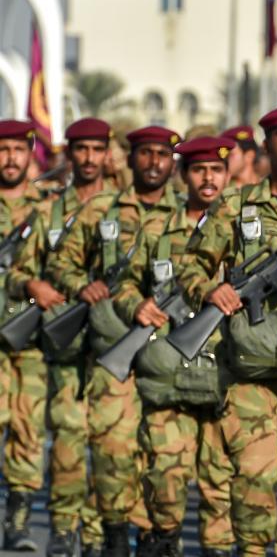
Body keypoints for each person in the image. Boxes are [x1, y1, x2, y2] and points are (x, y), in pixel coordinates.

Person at [180, 106, 277, 556]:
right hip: (249, 370)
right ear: (265, 145)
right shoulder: (236, 205)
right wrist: (212, 291)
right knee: (254, 482)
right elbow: (191, 266)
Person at [49, 125, 183, 557]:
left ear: (172, 162)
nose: (153, 162)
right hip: (112, 350)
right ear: (127, 159)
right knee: (112, 450)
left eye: (162, 154)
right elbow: (61, 265)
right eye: (145, 154)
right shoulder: (102, 212)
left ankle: (152, 533)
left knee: (161, 455)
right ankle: (111, 533)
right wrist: (81, 286)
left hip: (167, 351)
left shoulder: (187, 214)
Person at [111, 136, 236, 557]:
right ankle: (162, 539)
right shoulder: (159, 230)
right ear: (184, 175)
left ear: (227, 174)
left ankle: (216, 549)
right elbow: (125, 283)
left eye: (216, 170)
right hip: (169, 368)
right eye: (199, 170)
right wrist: (137, 305)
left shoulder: (243, 227)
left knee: (219, 479)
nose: (208, 178)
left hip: (223, 371)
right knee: (165, 471)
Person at [44, 118, 118, 557]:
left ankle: (94, 530)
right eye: (81, 149)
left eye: (97, 149)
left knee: (111, 441)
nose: (89, 158)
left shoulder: (126, 209)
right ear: (68, 154)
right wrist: (40, 287)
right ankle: (63, 525)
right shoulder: (49, 210)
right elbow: (26, 269)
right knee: (69, 437)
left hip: (115, 339)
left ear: (108, 153)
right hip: (68, 340)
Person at [0, 120, 61, 551]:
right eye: (2, 150)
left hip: (31, 337)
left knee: (27, 429)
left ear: (30, 153)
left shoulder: (49, 206)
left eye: (17, 150)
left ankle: (18, 521)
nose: (9, 158)